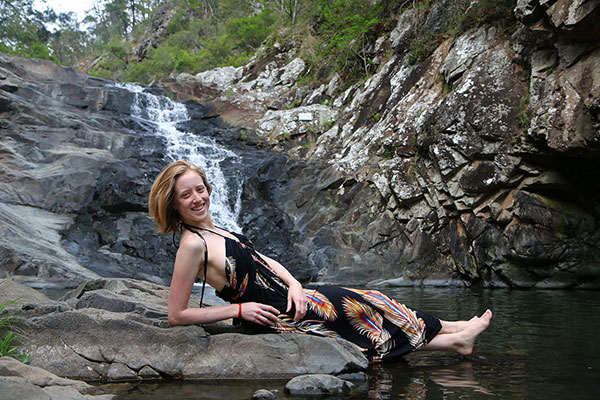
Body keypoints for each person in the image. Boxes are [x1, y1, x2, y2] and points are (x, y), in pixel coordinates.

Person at [148, 160, 492, 362]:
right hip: (277, 317)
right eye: (186, 195)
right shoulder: (192, 245)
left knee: (372, 302)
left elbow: (263, 260)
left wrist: (295, 284)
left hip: (294, 299)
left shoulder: (218, 229)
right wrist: (238, 311)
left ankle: (455, 332)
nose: (197, 198)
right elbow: (176, 315)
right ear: (173, 204)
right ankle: (454, 335)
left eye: (200, 189)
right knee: (363, 315)